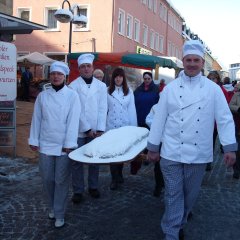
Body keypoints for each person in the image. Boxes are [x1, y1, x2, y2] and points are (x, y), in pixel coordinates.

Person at [147, 40, 237, 240]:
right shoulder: (170, 89)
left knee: (190, 194)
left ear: (202, 62)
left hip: (198, 152)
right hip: (171, 150)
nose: (192, 64)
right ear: (183, 61)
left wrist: (229, 147)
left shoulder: (213, 89)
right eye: (188, 60)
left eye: (196, 60)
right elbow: (159, 118)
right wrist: (153, 147)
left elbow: (224, 118)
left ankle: (181, 219)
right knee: (173, 193)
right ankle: (171, 232)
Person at [28, 61, 80, 228]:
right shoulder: (43, 96)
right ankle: (51, 206)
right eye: (53, 74)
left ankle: (59, 212)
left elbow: (73, 121)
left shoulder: (72, 96)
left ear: (64, 76)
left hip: (64, 145)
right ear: (50, 76)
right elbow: (36, 119)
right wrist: (34, 140)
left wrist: (69, 143)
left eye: (59, 74)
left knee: (61, 180)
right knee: (47, 178)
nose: (56, 77)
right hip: (45, 144)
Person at [69, 53, 108, 203]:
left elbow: (103, 108)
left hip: (96, 131)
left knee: (94, 159)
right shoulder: (73, 86)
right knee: (76, 161)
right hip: (79, 130)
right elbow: (76, 110)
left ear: (93, 68)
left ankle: (93, 186)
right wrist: (86, 129)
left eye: (88, 66)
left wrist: (99, 129)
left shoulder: (101, 86)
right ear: (79, 69)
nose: (86, 69)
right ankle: (78, 190)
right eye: (83, 67)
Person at [131, 71, 162, 196]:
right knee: (141, 141)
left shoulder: (156, 91)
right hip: (141, 118)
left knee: (151, 141)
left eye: (149, 78)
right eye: (145, 78)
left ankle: (149, 156)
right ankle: (142, 158)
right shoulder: (138, 90)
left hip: (153, 122)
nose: (147, 80)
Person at [106, 68, 137, 190]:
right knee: (112, 154)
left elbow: (132, 110)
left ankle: (120, 173)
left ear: (123, 78)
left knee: (121, 152)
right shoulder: (107, 91)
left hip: (124, 125)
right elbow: (104, 110)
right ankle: (114, 178)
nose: (118, 79)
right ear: (113, 78)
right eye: (116, 76)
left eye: (120, 76)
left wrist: (133, 129)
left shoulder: (129, 91)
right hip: (111, 126)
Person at [229, 83, 240, 179]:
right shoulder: (237, 95)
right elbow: (230, 105)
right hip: (238, 125)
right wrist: (238, 109)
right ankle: (237, 169)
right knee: (238, 149)